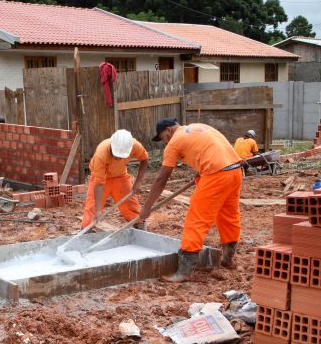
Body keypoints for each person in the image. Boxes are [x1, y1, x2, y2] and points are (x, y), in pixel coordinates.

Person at [138, 118, 243, 282]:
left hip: (216, 174)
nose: (165, 142)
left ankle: (185, 270)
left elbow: (161, 179)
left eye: (164, 138)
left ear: (168, 130)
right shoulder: (198, 126)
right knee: (228, 214)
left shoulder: (174, 142)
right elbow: (212, 149)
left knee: (196, 219)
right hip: (235, 170)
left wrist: (147, 207)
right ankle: (228, 257)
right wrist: (202, 170)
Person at [82, 129, 149, 229]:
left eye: (121, 156)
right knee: (93, 207)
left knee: (130, 204)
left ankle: (138, 224)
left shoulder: (134, 145)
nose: (118, 158)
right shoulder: (101, 153)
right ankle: (86, 230)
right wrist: (98, 210)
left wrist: (138, 182)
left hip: (120, 176)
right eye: (116, 155)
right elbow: (99, 184)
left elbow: (144, 159)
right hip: (101, 178)